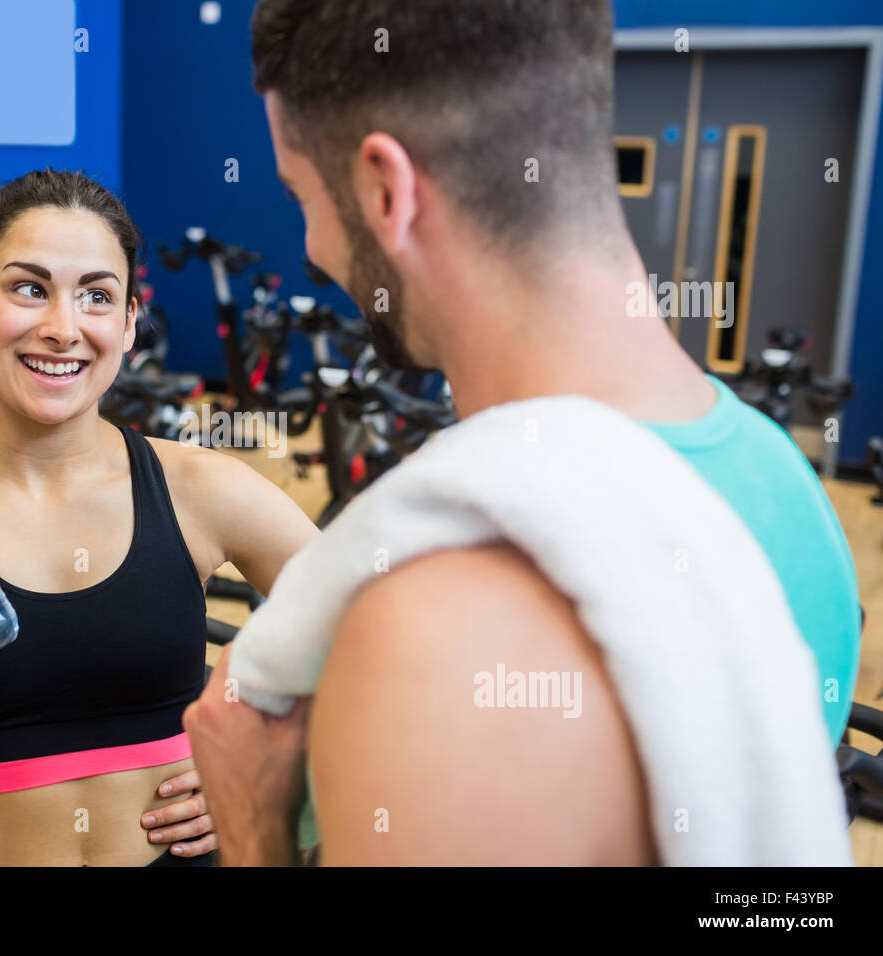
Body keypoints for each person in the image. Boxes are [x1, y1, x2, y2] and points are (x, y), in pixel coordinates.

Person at [183, 0, 861, 865]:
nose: (310, 243)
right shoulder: (799, 505)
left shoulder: (428, 622)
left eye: (297, 194)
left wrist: (250, 828)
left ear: (386, 191)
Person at [0, 169, 319, 866]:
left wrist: (280, 763)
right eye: (29, 288)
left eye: (97, 297)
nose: (62, 328)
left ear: (129, 324)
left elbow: (383, 632)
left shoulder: (201, 488)